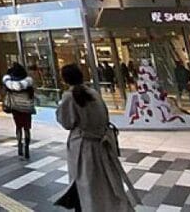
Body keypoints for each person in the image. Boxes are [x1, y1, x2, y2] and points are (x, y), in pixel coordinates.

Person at [56, 63, 138, 211]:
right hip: (102, 144)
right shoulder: (94, 93)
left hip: (83, 146)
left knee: (85, 183)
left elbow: (66, 122)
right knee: (105, 183)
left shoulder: (69, 96)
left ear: (65, 79)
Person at [3, 62, 36, 159]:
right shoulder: (28, 83)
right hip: (27, 109)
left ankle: (19, 145)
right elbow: (32, 95)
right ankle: (27, 148)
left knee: (18, 127)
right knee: (27, 128)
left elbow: (5, 90)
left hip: (16, 108)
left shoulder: (10, 85)